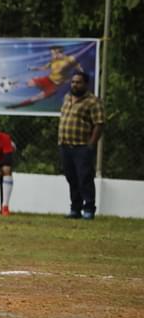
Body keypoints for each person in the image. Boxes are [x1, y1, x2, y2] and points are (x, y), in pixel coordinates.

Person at [58, 72, 104, 220]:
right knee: (71, 178)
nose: (74, 85)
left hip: (82, 147)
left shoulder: (93, 101)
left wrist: (91, 144)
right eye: (73, 82)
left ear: (86, 84)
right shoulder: (67, 97)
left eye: (78, 82)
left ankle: (89, 209)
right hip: (65, 145)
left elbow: (99, 124)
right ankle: (75, 209)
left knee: (85, 178)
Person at [7, 46, 83, 109]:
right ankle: (11, 84)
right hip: (47, 79)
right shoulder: (53, 61)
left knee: (37, 97)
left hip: (55, 86)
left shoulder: (70, 59)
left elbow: (77, 66)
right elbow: (45, 67)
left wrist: (80, 74)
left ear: (60, 52)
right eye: (52, 54)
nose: (53, 56)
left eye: (54, 53)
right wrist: (35, 68)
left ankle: (16, 106)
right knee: (29, 82)